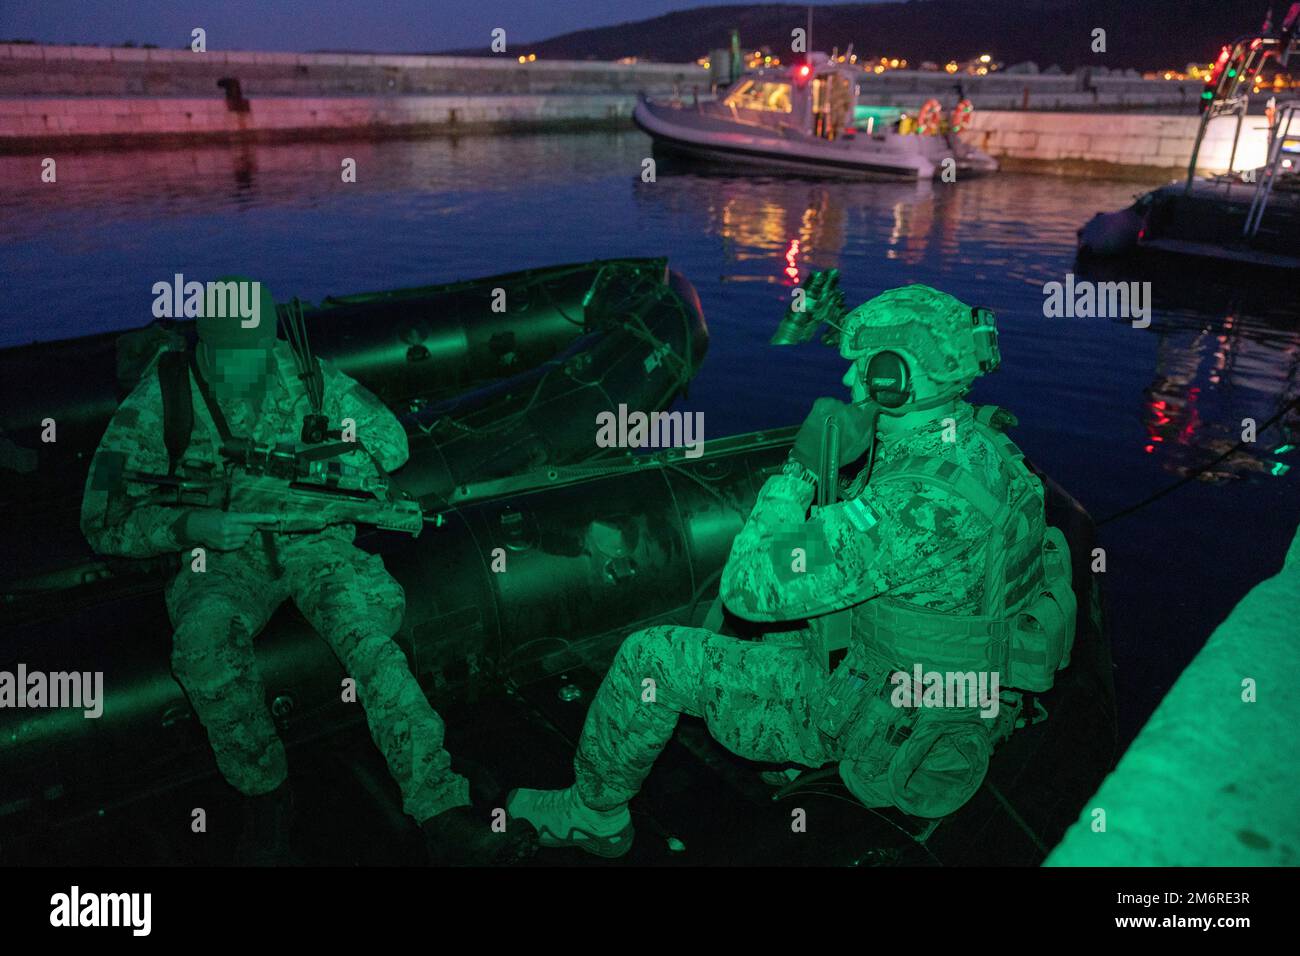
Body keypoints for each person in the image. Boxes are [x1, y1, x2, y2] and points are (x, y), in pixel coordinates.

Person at [506, 282, 1076, 857]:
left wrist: (800, 469)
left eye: (862, 370)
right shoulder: (980, 446)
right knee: (747, 628)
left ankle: (592, 815)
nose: (851, 383)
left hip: (885, 715)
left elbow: (746, 589)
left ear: (894, 378)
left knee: (650, 656)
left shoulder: (917, 505)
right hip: (962, 689)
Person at [81, 277, 532, 865]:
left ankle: (440, 808)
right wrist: (189, 526)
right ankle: (267, 794)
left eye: (261, 351)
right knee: (203, 641)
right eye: (234, 355)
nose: (254, 368)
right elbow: (101, 517)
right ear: (204, 347)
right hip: (223, 555)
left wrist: (323, 460)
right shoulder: (164, 396)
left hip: (315, 544)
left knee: (372, 645)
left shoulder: (303, 372)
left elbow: (391, 444)